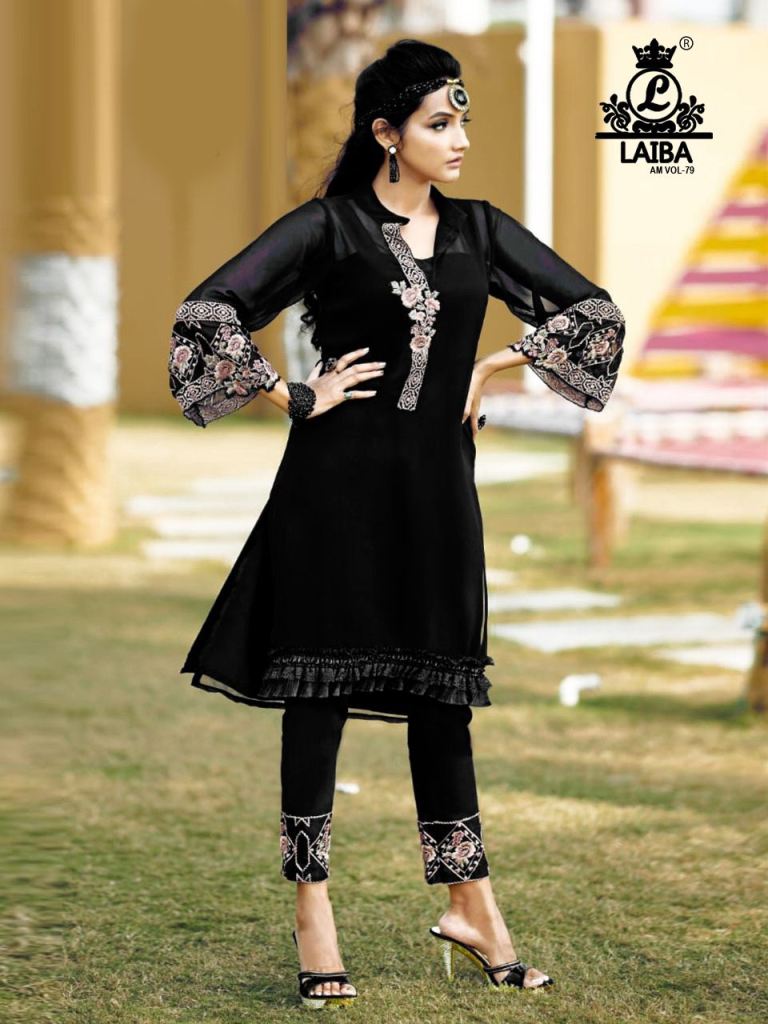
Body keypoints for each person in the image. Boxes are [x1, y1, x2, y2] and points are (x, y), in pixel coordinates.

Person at [168, 38, 625, 1009]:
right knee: (320, 691)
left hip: (437, 496)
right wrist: (295, 394)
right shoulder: (329, 227)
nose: (459, 139)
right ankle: (313, 914)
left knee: (442, 694)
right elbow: (207, 314)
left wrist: (491, 366)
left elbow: (593, 314)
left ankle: (472, 907)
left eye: (462, 122)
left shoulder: (480, 230)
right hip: (333, 491)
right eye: (438, 123)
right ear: (387, 134)